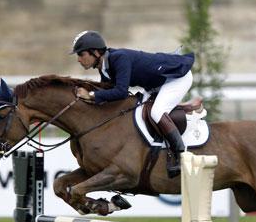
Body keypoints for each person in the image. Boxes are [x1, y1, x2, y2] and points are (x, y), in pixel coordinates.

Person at [70, 30, 194, 177]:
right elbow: (107, 97)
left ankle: (181, 154)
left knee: (157, 112)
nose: (78, 59)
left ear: (95, 53)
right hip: (156, 85)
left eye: (81, 54)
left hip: (176, 78)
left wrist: (91, 95)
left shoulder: (119, 58)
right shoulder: (105, 69)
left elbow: (121, 92)